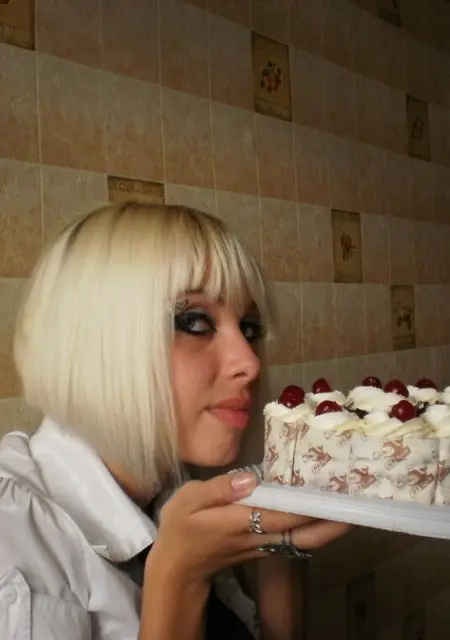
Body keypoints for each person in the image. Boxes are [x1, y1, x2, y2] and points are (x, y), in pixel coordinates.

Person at [0, 202, 350, 639]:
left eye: (249, 328)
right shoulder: (13, 545)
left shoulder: (176, 485)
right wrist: (181, 576)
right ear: (95, 342)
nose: (249, 363)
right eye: (195, 322)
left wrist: (279, 539)